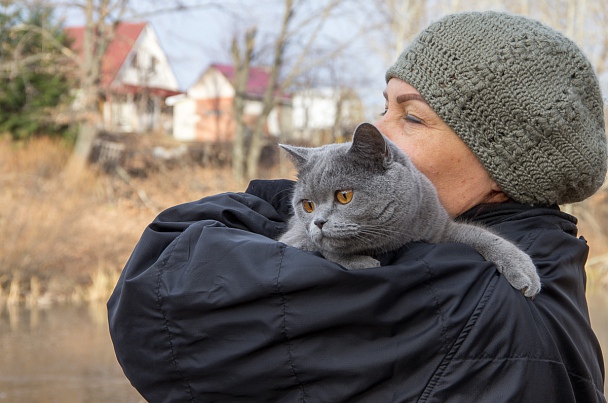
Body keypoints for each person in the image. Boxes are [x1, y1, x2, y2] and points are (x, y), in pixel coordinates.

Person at [108, 11, 607, 402]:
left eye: (412, 117)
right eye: (384, 107)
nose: (380, 135)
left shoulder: (446, 292)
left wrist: (272, 202)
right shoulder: (549, 267)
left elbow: (161, 300)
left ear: (504, 169)